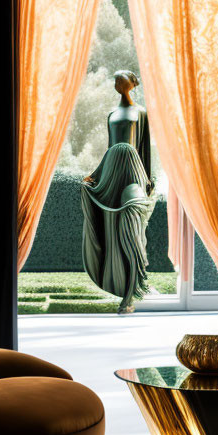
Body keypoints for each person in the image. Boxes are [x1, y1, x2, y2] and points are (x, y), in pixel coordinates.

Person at [81, 71, 154, 314]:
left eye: (120, 80)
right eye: (115, 80)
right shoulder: (111, 114)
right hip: (112, 170)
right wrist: (94, 174)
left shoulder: (140, 112)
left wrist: (149, 180)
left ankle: (132, 290)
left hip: (134, 171)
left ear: (131, 84)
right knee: (112, 229)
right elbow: (109, 148)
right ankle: (123, 291)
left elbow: (143, 148)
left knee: (131, 230)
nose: (116, 83)